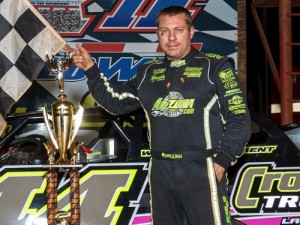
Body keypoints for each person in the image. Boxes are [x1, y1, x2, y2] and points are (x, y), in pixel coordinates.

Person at [70, 5, 251, 225]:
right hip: (161, 171)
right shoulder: (148, 72)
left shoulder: (216, 67)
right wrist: (90, 69)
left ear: (191, 32)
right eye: (164, 31)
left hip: (201, 168)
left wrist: (222, 161)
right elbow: (116, 103)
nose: (171, 38)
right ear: (158, 35)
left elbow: (239, 119)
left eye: (178, 30)